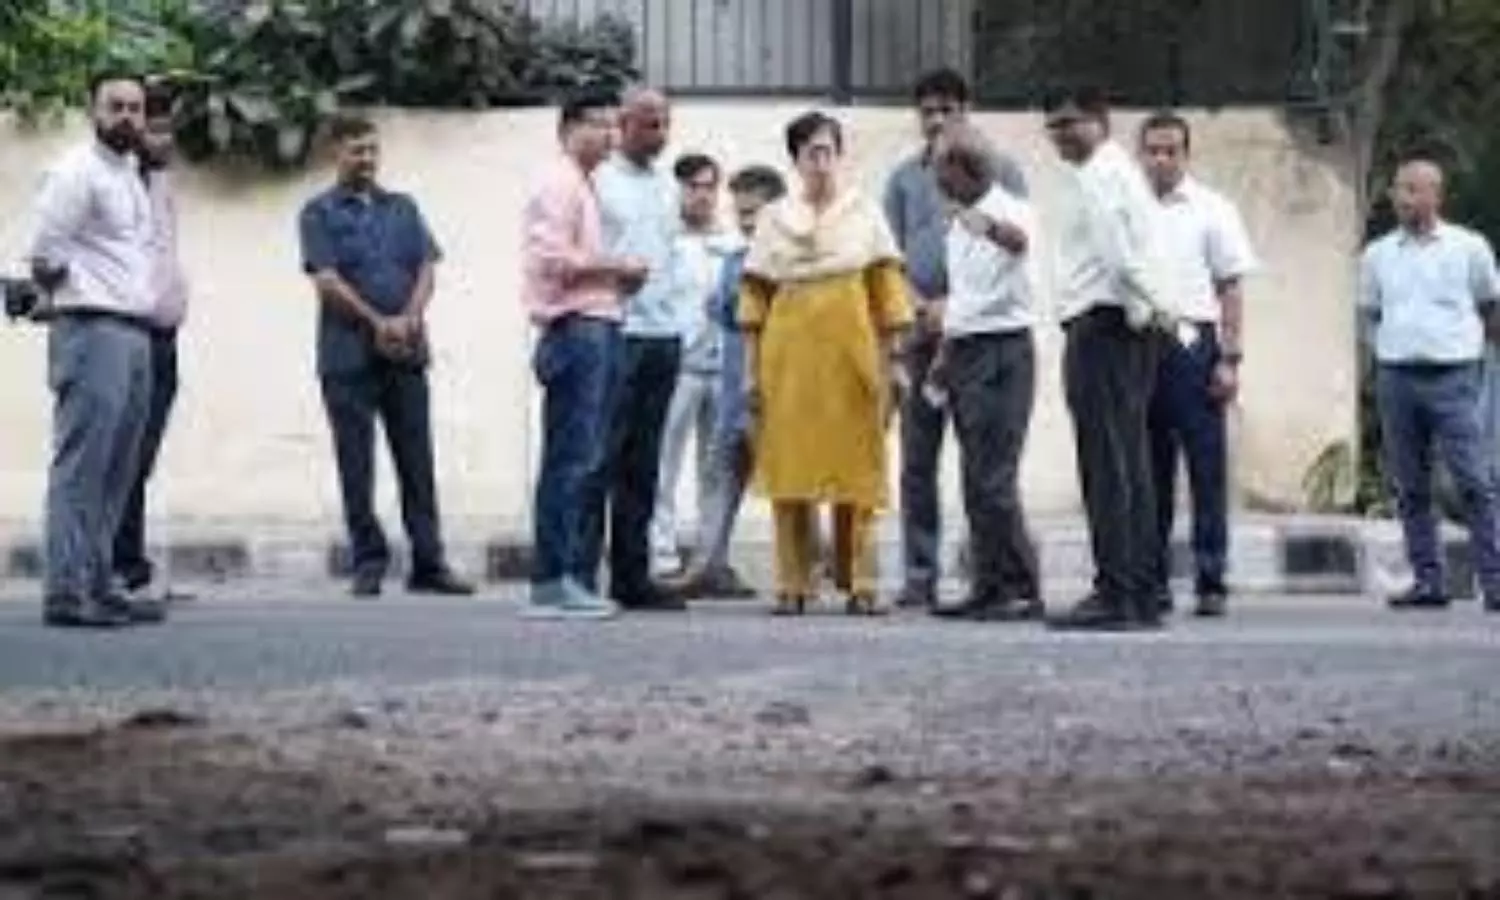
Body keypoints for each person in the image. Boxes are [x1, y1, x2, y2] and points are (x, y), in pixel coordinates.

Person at [739, 111, 913, 616]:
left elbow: (888, 290)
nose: (821, 161)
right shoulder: (774, 219)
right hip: (788, 358)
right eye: (811, 151)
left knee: (856, 466)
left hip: (852, 354)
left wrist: (895, 359)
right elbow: (753, 299)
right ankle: (794, 582)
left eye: (828, 150)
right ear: (794, 159)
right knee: (791, 467)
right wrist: (751, 371)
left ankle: (860, 581)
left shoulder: (865, 213)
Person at [298, 115, 473, 599]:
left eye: (373, 150)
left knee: (417, 461)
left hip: (407, 353)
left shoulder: (404, 207)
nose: (368, 159)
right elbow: (327, 280)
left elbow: (426, 267)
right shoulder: (317, 213)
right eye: (357, 150)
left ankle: (429, 564)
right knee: (356, 463)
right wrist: (378, 322)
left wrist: (409, 320)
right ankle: (369, 562)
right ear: (335, 153)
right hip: (346, 358)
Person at [883, 67, 1029, 610]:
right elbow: (889, 257)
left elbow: (1014, 246)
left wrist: (956, 307)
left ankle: (993, 576)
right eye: (928, 110)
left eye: (948, 109)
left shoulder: (1002, 170)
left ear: (967, 110)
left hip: (981, 334)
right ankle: (920, 574)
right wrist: (920, 309)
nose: (937, 119)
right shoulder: (902, 179)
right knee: (918, 460)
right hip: (920, 336)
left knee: (986, 466)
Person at [1043, 86, 1179, 632]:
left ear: (1100, 121)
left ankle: (1116, 592)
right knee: (1131, 462)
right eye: (1052, 126)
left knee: (1108, 464)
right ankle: (1140, 591)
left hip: (1106, 323)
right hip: (1127, 324)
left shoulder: (1101, 174)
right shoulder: (1119, 171)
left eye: (1070, 122)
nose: (1060, 135)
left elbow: (1119, 257)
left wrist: (1152, 308)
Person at [30, 72, 162, 629]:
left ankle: (99, 584)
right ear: (93, 111)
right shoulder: (76, 171)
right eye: (116, 106)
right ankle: (66, 593)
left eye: (135, 107)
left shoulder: (129, 175)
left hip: (133, 332)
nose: (127, 116)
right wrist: (62, 300)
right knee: (82, 468)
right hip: (91, 329)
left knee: (117, 471)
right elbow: (44, 252)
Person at [521, 91, 646, 619]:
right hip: (577, 328)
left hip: (597, 323)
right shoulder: (559, 182)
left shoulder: (584, 184)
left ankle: (564, 579)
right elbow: (551, 259)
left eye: (613, 126)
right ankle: (555, 580)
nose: (611, 135)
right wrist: (615, 269)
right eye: (599, 124)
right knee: (572, 459)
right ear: (569, 128)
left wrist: (618, 282)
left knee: (583, 457)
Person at [1359, 152, 1500, 614]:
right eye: (1399, 189)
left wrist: (1481, 358)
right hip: (1398, 377)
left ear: (1436, 195)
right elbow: (1370, 314)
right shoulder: (1378, 255)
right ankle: (1428, 581)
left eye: (1412, 189)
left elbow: (1490, 305)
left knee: (1474, 481)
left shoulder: (1469, 247)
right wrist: (1384, 354)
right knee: (1410, 485)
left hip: (1454, 376)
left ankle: (1494, 582)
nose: (1402, 198)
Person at [1139, 111, 1259, 619]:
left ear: (1186, 155)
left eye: (1172, 150)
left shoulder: (1213, 209)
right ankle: (1154, 580)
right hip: (1142, 343)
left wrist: (1229, 359)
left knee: (1205, 469)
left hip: (1193, 341)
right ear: (1140, 153)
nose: (1162, 159)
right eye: (1153, 150)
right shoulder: (1130, 209)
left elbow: (1230, 287)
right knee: (1150, 470)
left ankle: (1211, 580)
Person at [923, 123, 1043, 622]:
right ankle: (988, 585)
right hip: (967, 350)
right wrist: (943, 358)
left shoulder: (1012, 210)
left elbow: (1018, 243)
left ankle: (1020, 588)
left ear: (964, 166)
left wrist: (982, 223)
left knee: (995, 479)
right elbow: (964, 298)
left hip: (1004, 350)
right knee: (975, 478)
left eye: (940, 166)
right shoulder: (957, 225)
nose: (934, 176)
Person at [583, 87, 686, 612]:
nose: (660, 134)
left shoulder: (669, 186)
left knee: (644, 464)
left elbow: (670, 258)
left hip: (664, 337)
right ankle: (579, 574)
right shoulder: (598, 182)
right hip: (616, 333)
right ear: (623, 124)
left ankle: (632, 576)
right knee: (600, 458)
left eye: (665, 124)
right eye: (649, 124)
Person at [668, 164, 788, 600]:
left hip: (777, 394)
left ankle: (800, 574)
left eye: (755, 213)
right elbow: (719, 310)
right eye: (741, 214)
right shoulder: (738, 257)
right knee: (720, 474)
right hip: (734, 388)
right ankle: (707, 565)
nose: (748, 222)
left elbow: (732, 309)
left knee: (791, 484)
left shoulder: (790, 257)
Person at [648, 152, 748, 589]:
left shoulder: (731, 244)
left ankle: (711, 559)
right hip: (680, 367)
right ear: (679, 190)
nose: (702, 195)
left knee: (719, 467)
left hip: (723, 369)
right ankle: (661, 556)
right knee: (663, 462)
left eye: (709, 186)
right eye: (693, 186)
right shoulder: (665, 241)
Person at [112, 81, 190, 603]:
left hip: (163, 338)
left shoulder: (160, 181)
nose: (162, 138)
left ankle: (131, 565)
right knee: (123, 457)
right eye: (153, 128)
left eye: (167, 129)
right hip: (129, 335)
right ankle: (118, 568)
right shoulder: (118, 183)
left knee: (141, 458)